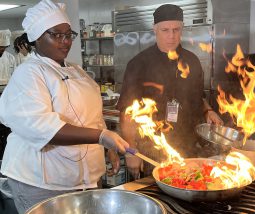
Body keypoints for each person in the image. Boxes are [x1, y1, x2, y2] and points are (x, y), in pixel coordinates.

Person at [0, 0, 128, 213]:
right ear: (36, 38)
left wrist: (108, 147)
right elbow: (42, 127)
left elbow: (92, 117)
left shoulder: (77, 71)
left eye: (68, 34)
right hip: (41, 182)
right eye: (56, 35)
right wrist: (101, 136)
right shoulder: (29, 74)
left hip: (80, 179)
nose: (65, 41)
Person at [117, 4, 223, 179]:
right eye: (165, 30)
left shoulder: (192, 61)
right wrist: (131, 151)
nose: (171, 36)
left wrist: (208, 110)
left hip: (189, 147)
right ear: (155, 30)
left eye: (176, 30)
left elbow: (198, 97)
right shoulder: (139, 64)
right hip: (152, 150)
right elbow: (127, 112)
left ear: (182, 30)